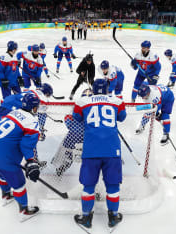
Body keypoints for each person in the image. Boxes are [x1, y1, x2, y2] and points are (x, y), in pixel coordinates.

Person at [72, 79, 126, 232]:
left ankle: (86, 217)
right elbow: (122, 117)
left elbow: (76, 118)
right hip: (112, 150)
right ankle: (113, 216)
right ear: (108, 89)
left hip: (91, 150)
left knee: (88, 185)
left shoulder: (82, 101)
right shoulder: (117, 100)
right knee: (113, 185)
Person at [0, 93, 41, 222]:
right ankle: (24, 211)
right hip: (4, 157)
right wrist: (31, 161)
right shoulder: (32, 120)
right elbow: (26, 144)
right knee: (19, 183)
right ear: (34, 108)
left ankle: (6, 196)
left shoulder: (13, 112)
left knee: (2, 175)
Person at [51, 89, 91, 176]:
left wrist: (75, 127)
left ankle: (61, 168)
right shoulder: (92, 107)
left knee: (69, 155)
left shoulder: (77, 106)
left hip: (79, 136)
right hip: (85, 137)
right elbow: (68, 120)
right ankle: (61, 169)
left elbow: (68, 121)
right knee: (70, 157)